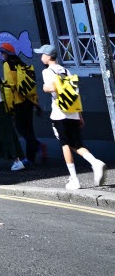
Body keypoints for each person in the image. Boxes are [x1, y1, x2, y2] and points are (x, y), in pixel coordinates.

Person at [39, 45, 109, 190]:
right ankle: (95, 163)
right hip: (73, 112)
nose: (41, 57)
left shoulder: (47, 71)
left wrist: (45, 87)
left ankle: (75, 179)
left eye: (42, 54)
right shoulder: (66, 70)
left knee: (65, 144)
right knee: (77, 144)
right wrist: (80, 114)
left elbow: (53, 87)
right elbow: (75, 93)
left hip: (59, 113)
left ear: (48, 56)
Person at [0, 39, 43, 166]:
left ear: (7, 53)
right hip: (28, 101)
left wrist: (8, 105)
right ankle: (33, 153)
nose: (2, 55)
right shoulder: (21, 64)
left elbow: (10, 85)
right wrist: (36, 103)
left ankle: (35, 150)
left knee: (22, 130)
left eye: (3, 52)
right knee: (29, 129)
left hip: (18, 102)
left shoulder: (7, 65)